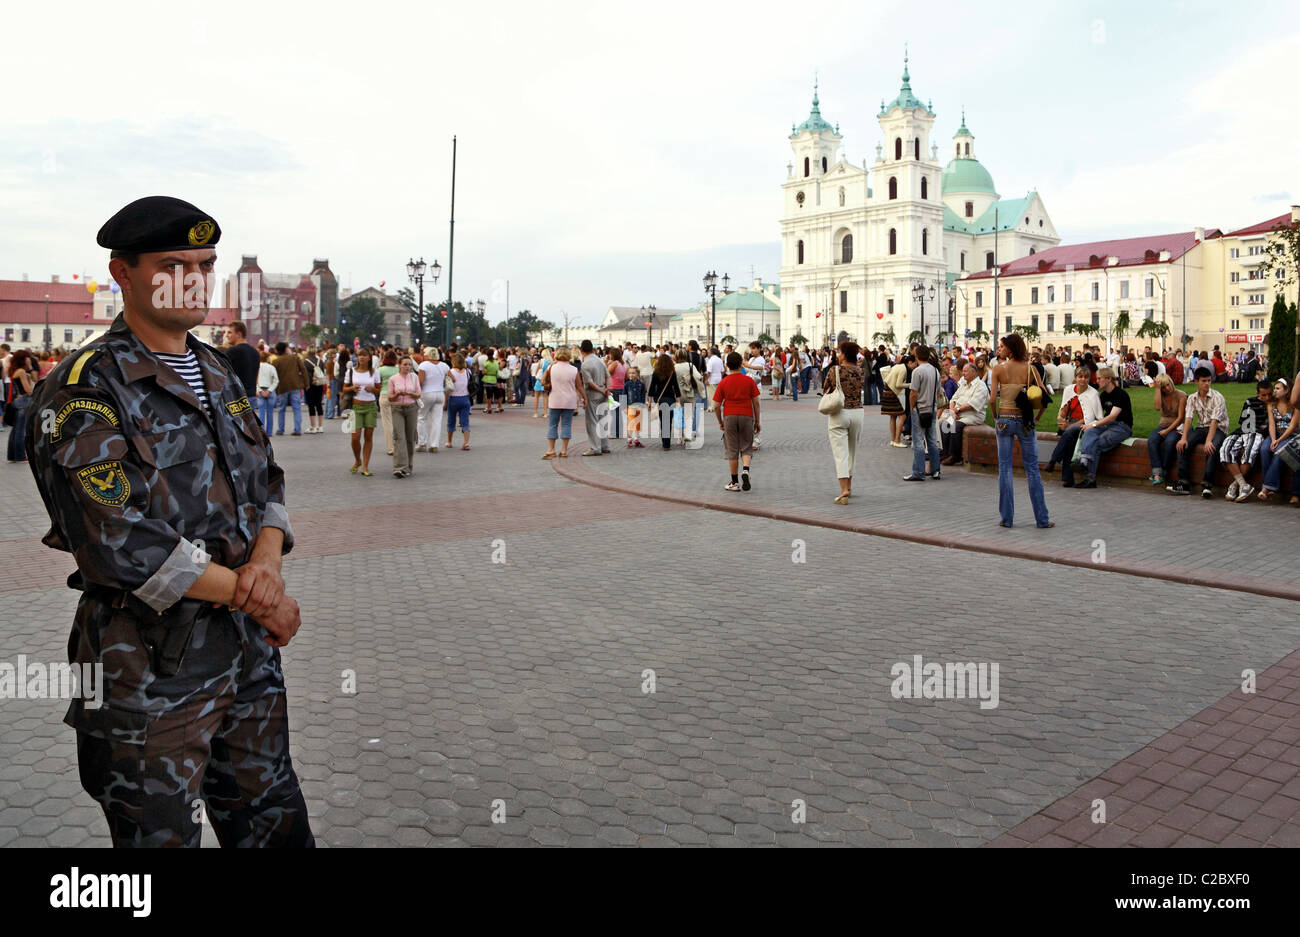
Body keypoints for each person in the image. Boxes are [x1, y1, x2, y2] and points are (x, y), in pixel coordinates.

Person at [25, 195, 312, 847]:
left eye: (203, 265)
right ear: (122, 274)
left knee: (275, 825)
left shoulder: (218, 372)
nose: (192, 279)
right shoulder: (83, 389)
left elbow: (266, 481)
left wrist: (264, 568)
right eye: (171, 264)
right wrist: (256, 595)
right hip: (146, 668)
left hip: (245, 656)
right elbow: (121, 543)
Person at [989, 333, 1052, 528]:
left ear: (1011, 348)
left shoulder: (998, 369)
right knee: (1032, 469)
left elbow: (992, 399)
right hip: (1025, 420)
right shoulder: (1030, 369)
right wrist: (1037, 418)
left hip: (1005, 418)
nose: (1000, 349)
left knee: (1005, 469)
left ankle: (1006, 519)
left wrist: (995, 416)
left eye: (1003, 346)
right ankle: (1042, 519)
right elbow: (1044, 396)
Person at [1170, 367, 1227, 498]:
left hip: (1218, 429)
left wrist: (1208, 441)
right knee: (1183, 445)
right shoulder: (1192, 398)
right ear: (1196, 381)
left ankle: (1207, 485)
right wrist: (1183, 438)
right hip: (1201, 428)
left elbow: (1215, 421)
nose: (1207, 384)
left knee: (1212, 448)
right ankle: (1184, 482)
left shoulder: (1218, 397)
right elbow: (1188, 418)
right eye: (1203, 381)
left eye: (1209, 380)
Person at [823, 342, 865, 504]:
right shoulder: (861, 371)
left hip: (839, 412)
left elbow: (826, 387)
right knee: (852, 451)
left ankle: (844, 490)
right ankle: (850, 486)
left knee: (840, 452)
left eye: (840, 353)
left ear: (845, 354)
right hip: (857, 413)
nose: (838, 356)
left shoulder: (835, 370)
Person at [713, 351, 759, 491]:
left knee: (732, 449)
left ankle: (734, 482)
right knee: (746, 446)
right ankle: (745, 470)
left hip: (729, 416)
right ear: (741, 365)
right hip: (746, 415)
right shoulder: (749, 380)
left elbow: (715, 405)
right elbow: (756, 402)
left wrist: (720, 421)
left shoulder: (723, 382)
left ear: (726, 365)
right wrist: (757, 421)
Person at [1220, 379, 1272, 502]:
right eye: (1263, 395)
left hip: (1257, 434)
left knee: (1250, 452)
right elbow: (1245, 423)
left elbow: (1264, 428)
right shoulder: (1250, 401)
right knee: (1226, 449)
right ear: (1257, 393)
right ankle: (1243, 485)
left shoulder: (1273, 404)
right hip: (1242, 431)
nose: (1267, 397)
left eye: (1269, 394)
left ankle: (1235, 485)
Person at [903, 345, 943, 482]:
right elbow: (938, 391)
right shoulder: (936, 371)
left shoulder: (917, 371)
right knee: (932, 440)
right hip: (932, 408)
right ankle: (935, 470)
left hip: (920, 408)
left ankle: (918, 471)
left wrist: (912, 407)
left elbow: (913, 392)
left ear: (917, 356)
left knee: (918, 441)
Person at [939, 362, 989, 466]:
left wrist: (957, 410)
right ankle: (945, 452)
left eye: (965, 371)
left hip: (972, 415)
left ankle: (955, 455)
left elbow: (972, 404)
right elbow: (953, 398)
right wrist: (952, 411)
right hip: (959, 413)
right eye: (963, 371)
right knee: (944, 424)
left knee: (955, 426)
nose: (963, 373)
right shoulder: (964, 385)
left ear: (973, 372)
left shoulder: (981, 386)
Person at [1144, 373, 1187, 487]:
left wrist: (1167, 431)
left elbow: (1180, 418)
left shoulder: (1181, 395)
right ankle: (1157, 472)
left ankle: (1163, 471)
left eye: (1168, 385)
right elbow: (1157, 407)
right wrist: (1157, 390)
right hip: (1163, 424)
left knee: (1170, 442)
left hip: (1178, 425)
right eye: (1163, 387)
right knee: (1152, 440)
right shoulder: (1161, 395)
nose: (1167, 388)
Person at [1257, 379, 1296, 502]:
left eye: (1278, 388)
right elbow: (1272, 424)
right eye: (1275, 388)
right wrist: (1273, 439)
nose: (1274, 391)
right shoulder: (1271, 404)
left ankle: (1266, 488)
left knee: (1279, 452)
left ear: (1286, 390)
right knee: (1264, 449)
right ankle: (1271, 486)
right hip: (1275, 434)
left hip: (1289, 435)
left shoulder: (1295, 405)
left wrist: (1279, 440)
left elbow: (1292, 427)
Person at [344, 350, 381, 476]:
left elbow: (379, 390)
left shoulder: (375, 372)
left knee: (368, 437)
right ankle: (357, 460)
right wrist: (352, 388)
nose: (362, 358)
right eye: (360, 355)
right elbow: (344, 388)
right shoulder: (351, 371)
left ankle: (365, 466)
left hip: (370, 406)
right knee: (355, 438)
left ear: (369, 358)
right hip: (355, 406)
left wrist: (372, 389)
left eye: (365, 355)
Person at [540, 349, 583, 459]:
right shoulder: (574, 369)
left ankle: (551, 449)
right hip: (570, 401)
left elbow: (542, 381)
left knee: (552, 425)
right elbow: (579, 386)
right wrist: (585, 398)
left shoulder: (551, 368)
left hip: (555, 400)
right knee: (566, 425)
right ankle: (564, 450)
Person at [387, 356, 421, 477]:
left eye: (409, 365)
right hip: (397, 409)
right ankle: (399, 467)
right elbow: (389, 397)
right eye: (405, 364)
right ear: (399, 365)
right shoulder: (393, 379)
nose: (407, 367)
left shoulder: (414, 377)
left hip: (411, 408)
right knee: (399, 437)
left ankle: (408, 466)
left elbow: (418, 394)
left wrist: (410, 393)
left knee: (410, 438)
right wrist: (397, 394)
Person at [578, 339, 611, 456]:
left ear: (581, 350)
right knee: (603, 420)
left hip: (593, 394)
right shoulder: (600, 360)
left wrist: (601, 390)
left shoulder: (585, 364)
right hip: (604, 393)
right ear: (592, 349)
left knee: (592, 421)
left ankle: (595, 447)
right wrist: (607, 389)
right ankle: (605, 445)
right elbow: (608, 376)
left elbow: (590, 382)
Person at [5, 350, 37, 462]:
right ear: (23, 359)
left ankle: (13, 455)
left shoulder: (17, 371)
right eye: (27, 358)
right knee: (20, 430)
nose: (29, 359)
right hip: (23, 400)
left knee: (16, 430)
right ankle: (20, 455)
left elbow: (34, 377)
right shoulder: (21, 372)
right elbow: (28, 389)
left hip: (18, 401)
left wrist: (30, 367)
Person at [271, 341, 308, 436]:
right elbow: (303, 370)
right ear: (285, 349)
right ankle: (298, 429)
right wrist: (306, 383)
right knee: (296, 408)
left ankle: (280, 429)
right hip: (295, 386)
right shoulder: (295, 358)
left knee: (281, 409)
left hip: (282, 387)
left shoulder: (276, 361)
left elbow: (273, 375)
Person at [647, 353, 683, 451]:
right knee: (668, 421)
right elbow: (676, 388)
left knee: (663, 421)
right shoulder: (672, 372)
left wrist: (649, 402)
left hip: (659, 399)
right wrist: (679, 401)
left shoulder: (655, 373)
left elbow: (651, 388)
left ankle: (665, 443)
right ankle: (667, 444)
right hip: (670, 399)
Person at [416, 347, 449, 453]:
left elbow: (420, 382)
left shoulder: (423, 365)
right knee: (437, 420)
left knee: (421, 418)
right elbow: (452, 378)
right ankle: (434, 444)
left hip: (426, 393)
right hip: (440, 393)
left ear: (427, 355)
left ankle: (422, 443)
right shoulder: (444, 365)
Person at [673, 349, 705, 446]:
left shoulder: (674, 367)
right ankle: (687, 435)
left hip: (677, 394)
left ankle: (679, 437)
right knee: (688, 415)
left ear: (676, 357)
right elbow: (699, 376)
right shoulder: (690, 365)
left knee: (678, 415)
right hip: (689, 393)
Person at [221, 320, 259, 396]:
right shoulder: (255, 352)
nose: (226, 335)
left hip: (237, 398)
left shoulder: (232, 351)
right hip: (252, 397)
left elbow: (220, 373)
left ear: (238, 334)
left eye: (229, 332)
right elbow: (257, 376)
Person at [445, 352, 472, 450]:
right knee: (465, 421)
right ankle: (466, 443)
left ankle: (449, 441)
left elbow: (448, 388)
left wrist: (445, 401)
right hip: (465, 398)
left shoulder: (450, 371)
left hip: (453, 398)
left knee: (451, 420)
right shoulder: (468, 371)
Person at [302, 346, 326, 434]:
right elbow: (323, 372)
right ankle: (320, 426)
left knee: (311, 405)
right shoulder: (320, 361)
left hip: (310, 385)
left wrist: (306, 385)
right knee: (319, 404)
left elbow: (305, 375)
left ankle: (313, 426)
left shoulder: (306, 362)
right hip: (319, 384)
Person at [255, 348, 278, 430]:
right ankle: (269, 431)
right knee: (270, 413)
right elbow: (276, 380)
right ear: (267, 358)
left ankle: (262, 431)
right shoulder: (271, 367)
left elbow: (255, 380)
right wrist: (269, 390)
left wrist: (259, 390)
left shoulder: (256, 367)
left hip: (260, 389)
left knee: (261, 412)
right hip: (270, 390)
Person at [532, 348, 551, 418]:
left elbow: (536, 371)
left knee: (536, 396)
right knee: (545, 397)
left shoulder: (541, 361)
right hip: (546, 381)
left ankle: (535, 413)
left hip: (539, 380)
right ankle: (545, 413)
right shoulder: (550, 361)